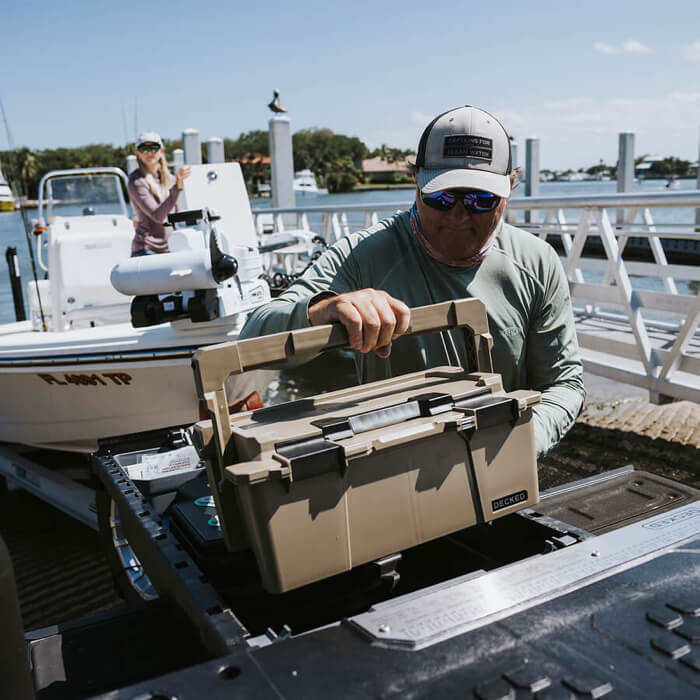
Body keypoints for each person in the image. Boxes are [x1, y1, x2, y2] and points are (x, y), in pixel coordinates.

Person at [240, 105, 585, 457]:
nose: (458, 214)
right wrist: (323, 310)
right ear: (416, 182)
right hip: (391, 466)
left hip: (500, 466)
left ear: (510, 188)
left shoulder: (537, 263)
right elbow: (253, 336)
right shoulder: (364, 256)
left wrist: (522, 444)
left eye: (481, 199)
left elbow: (563, 382)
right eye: (442, 196)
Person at [127, 132, 191, 256]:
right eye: (144, 148)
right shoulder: (136, 181)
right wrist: (177, 186)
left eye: (154, 148)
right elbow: (158, 216)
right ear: (137, 153)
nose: (149, 152)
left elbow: (177, 215)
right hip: (146, 250)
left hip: (170, 248)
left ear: (161, 150)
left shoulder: (170, 179)